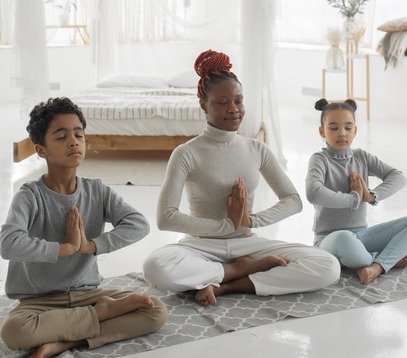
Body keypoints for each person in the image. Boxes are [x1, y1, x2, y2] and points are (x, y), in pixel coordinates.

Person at [143, 49, 340, 307]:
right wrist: (225, 227)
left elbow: (293, 200)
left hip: (247, 244)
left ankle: (225, 285)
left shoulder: (256, 148)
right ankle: (237, 271)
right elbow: (165, 217)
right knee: (155, 266)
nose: (234, 109)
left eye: (239, 100)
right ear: (204, 105)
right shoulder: (187, 153)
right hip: (202, 247)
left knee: (328, 266)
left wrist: (249, 220)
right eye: (222, 102)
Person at [0, 97, 168, 358]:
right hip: (40, 304)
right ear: (41, 150)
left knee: (155, 311)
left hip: (88, 294)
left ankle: (65, 342)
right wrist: (65, 249)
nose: (73, 141)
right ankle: (101, 315)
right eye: (61, 136)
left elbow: (139, 224)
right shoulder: (29, 196)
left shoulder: (97, 190)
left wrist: (90, 246)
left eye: (79, 134)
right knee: (14, 331)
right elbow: (8, 243)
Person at [306, 98, 407, 285]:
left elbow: (399, 177)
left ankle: (376, 266)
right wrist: (354, 198)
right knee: (344, 238)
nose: (342, 133)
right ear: (322, 131)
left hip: (361, 237)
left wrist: (370, 196)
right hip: (329, 240)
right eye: (334, 128)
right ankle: (385, 259)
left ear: (355, 130)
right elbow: (314, 193)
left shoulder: (362, 156)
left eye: (348, 127)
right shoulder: (319, 159)